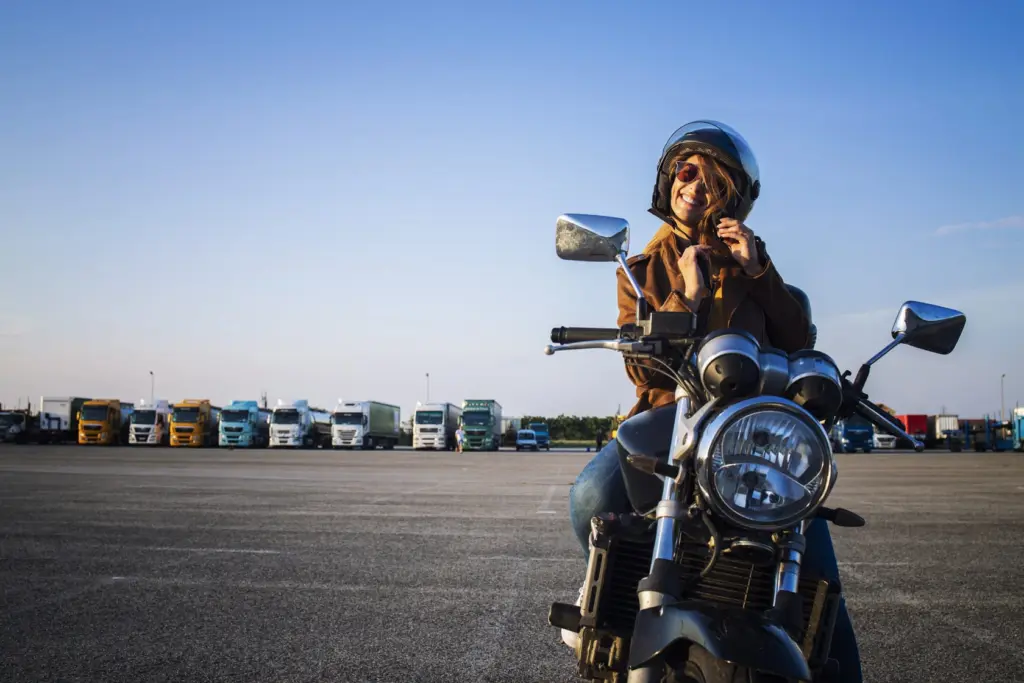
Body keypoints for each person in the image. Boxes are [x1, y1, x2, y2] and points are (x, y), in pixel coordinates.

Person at [561, 120, 863, 682]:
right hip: (671, 422)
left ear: (733, 197)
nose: (694, 185)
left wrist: (758, 271)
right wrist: (689, 293)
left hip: (754, 434)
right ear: (668, 179)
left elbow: (799, 341)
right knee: (589, 497)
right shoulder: (642, 270)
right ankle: (612, 612)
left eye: (712, 179)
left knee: (821, 576)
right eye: (686, 171)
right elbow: (640, 369)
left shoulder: (758, 267)